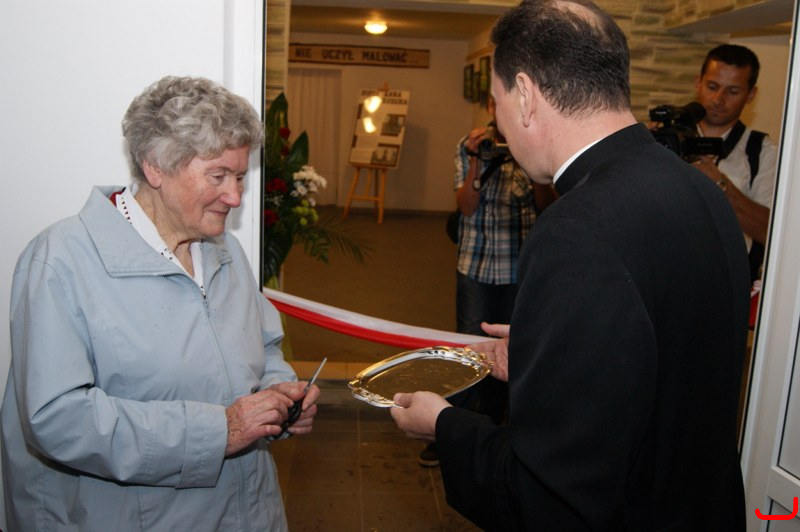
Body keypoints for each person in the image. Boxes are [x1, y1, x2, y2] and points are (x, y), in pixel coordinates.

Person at [391, 1, 749, 529]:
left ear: (526, 95)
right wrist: (550, 354)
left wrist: (444, 425)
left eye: (497, 102)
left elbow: (552, 489)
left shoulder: (575, 227)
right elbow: (662, 355)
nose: (501, 125)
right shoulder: (700, 189)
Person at [1, 76, 319, 531]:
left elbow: (264, 346)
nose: (234, 197)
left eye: (240, 177)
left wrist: (281, 394)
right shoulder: (61, 260)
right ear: (155, 167)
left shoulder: (225, 249)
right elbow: (57, 418)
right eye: (218, 176)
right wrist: (219, 432)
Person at [420, 98, 556, 467]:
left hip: (519, 268)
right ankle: (449, 427)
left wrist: (530, 163)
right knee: (468, 350)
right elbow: (466, 205)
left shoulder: (530, 145)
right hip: (476, 265)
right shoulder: (469, 145)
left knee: (516, 351)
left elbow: (547, 205)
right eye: (494, 103)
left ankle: (499, 428)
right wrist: (478, 161)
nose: (499, 110)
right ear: (489, 107)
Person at [692, 44, 778, 283]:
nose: (718, 99)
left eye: (733, 91)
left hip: (731, 285)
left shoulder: (763, 152)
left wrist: (721, 185)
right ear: (698, 83)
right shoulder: (667, 139)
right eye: (712, 87)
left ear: (751, 95)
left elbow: (771, 232)